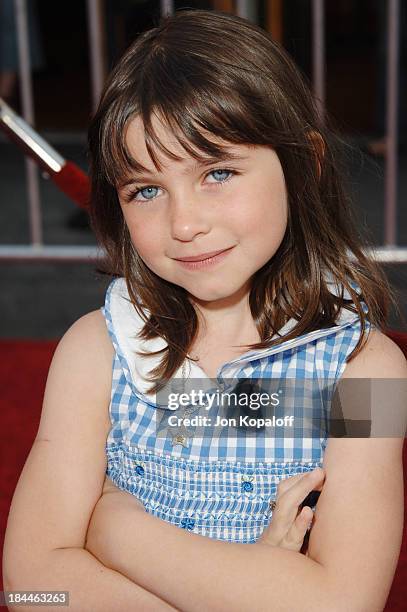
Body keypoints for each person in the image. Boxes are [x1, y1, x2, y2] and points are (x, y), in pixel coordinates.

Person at [3, 9, 406, 611]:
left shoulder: (368, 373)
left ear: (305, 169)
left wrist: (119, 533)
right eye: (145, 189)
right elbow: (33, 588)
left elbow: (345, 603)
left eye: (217, 172)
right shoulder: (94, 351)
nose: (185, 223)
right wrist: (249, 589)